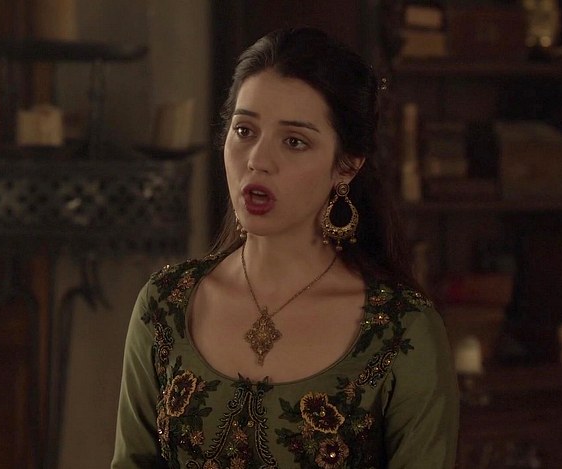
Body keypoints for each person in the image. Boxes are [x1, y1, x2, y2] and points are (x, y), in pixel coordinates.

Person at [112, 27, 459, 468]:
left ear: (346, 167)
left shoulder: (403, 331)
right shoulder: (164, 306)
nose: (258, 160)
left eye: (294, 141)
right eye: (244, 130)